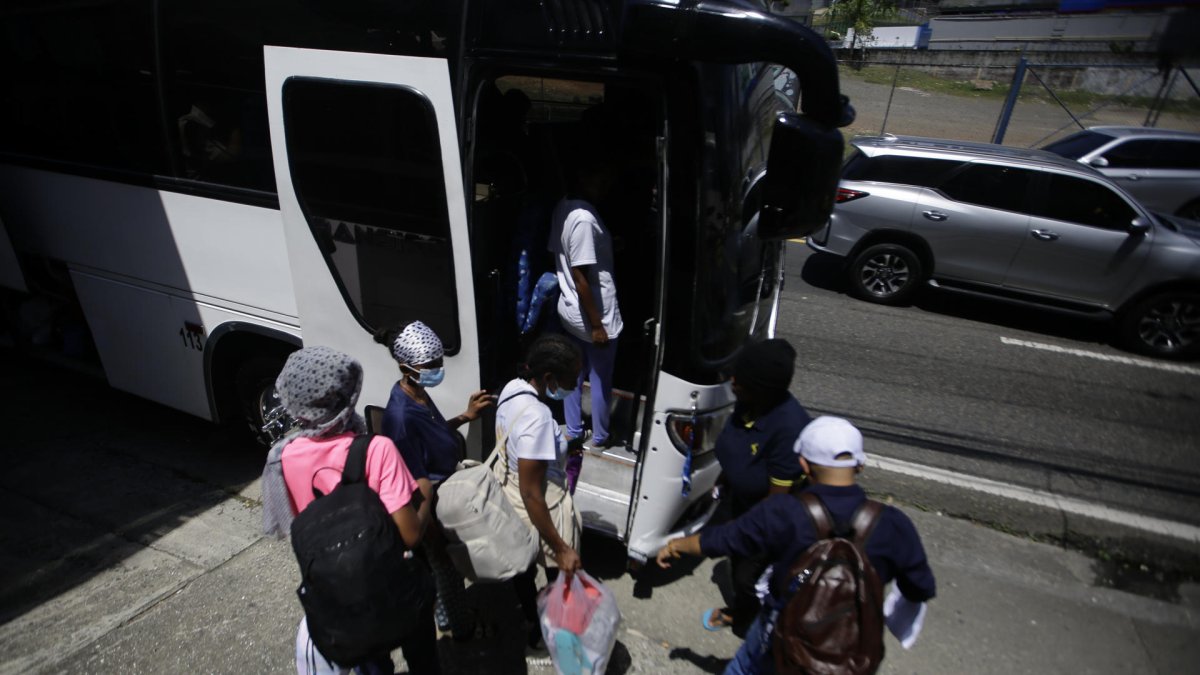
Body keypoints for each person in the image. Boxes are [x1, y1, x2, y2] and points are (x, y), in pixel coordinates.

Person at [656, 416, 937, 675]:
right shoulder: (893, 525)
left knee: (745, 667)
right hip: (853, 650)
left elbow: (721, 540)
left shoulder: (783, 512)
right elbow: (921, 587)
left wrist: (676, 546)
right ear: (860, 465)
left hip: (785, 634)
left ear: (803, 465)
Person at [260, 346, 438, 675]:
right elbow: (411, 535)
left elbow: (297, 530)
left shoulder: (282, 458)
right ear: (348, 394)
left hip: (340, 595)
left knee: (370, 662)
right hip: (392, 585)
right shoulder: (376, 449)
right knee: (422, 655)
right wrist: (425, 494)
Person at [374, 320, 495, 640]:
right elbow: (415, 484)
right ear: (405, 366)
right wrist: (430, 531)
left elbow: (436, 433)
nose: (437, 370)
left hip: (444, 488)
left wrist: (465, 417)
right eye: (431, 365)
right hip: (431, 504)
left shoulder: (419, 395)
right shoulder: (399, 418)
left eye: (439, 363)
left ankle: (444, 614)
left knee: (443, 566)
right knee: (446, 567)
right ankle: (463, 628)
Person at [709, 338, 813, 637]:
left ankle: (749, 627)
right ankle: (745, 611)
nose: (732, 381)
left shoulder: (789, 430)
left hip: (768, 519)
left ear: (761, 389)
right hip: (742, 503)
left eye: (738, 379)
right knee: (737, 566)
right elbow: (738, 448)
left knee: (748, 577)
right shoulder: (748, 402)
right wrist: (727, 481)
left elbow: (774, 504)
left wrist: (735, 532)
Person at [493, 333, 585, 661]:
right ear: (549, 378)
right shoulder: (538, 417)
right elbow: (532, 493)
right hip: (541, 507)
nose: (575, 385)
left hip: (510, 495)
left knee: (523, 570)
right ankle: (544, 634)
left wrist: (563, 444)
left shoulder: (511, 389)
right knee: (558, 577)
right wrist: (561, 548)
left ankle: (533, 618)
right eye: (572, 379)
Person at [548, 145, 623, 492]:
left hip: (573, 312)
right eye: (601, 178)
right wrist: (597, 325)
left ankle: (574, 430)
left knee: (574, 374)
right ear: (586, 178)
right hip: (592, 314)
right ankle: (600, 436)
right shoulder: (581, 217)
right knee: (598, 377)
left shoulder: (564, 207)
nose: (606, 184)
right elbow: (581, 276)